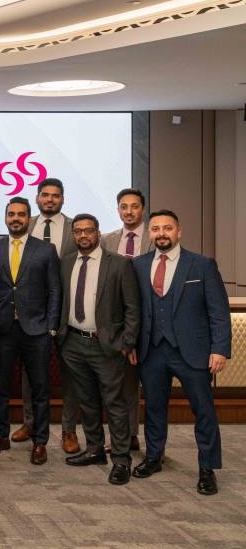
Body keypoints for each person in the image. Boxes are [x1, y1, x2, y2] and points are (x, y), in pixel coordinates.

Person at [132, 210, 231, 495]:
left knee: (203, 410)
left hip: (193, 351)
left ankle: (207, 467)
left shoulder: (201, 265)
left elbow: (219, 312)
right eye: (155, 229)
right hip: (151, 350)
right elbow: (135, 310)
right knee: (153, 408)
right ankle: (153, 457)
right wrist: (131, 345)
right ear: (149, 233)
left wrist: (220, 349)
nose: (161, 233)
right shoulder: (138, 265)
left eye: (167, 228)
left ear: (179, 231)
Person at [57, 214, 140, 485]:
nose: (83, 236)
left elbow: (132, 308)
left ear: (98, 233)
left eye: (88, 231)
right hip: (72, 342)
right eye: (78, 231)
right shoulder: (66, 262)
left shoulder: (119, 264)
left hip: (106, 345)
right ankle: (94, 449)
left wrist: (126, 343)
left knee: (114, 403)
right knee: (87, 401)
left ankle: (120, 459)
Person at [0, 197, 60, 466]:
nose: (16, 218)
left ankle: (40, 442)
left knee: (40, 389)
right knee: (0, 387)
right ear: (5, 217)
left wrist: (51, 327)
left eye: (21, 214)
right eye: (11, 214)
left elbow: (54, 290)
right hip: (3, 328)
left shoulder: (46, 250)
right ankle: (0, 435)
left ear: (29, 218)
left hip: (36, 330)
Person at [18, 177, 80, 452]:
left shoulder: (74, 228)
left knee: (70, 372)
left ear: (63, 199)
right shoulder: (24, 225)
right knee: (30, 374)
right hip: (32, 314)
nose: (50, 200)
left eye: (56, 195)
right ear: (37, 198)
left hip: (67, 310)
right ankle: (30, 422)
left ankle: (69, 430)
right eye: (45, 195)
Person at [101, 187, 151, 450]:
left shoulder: (154, 239)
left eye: (134, 206)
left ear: (143, 209)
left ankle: (151, 441)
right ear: (118, 209)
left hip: (149, 319)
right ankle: (126, 436)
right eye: (124, 206)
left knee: (146, 385)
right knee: (119, 383)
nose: (129, 211)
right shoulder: (107, 240)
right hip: (117, 321)